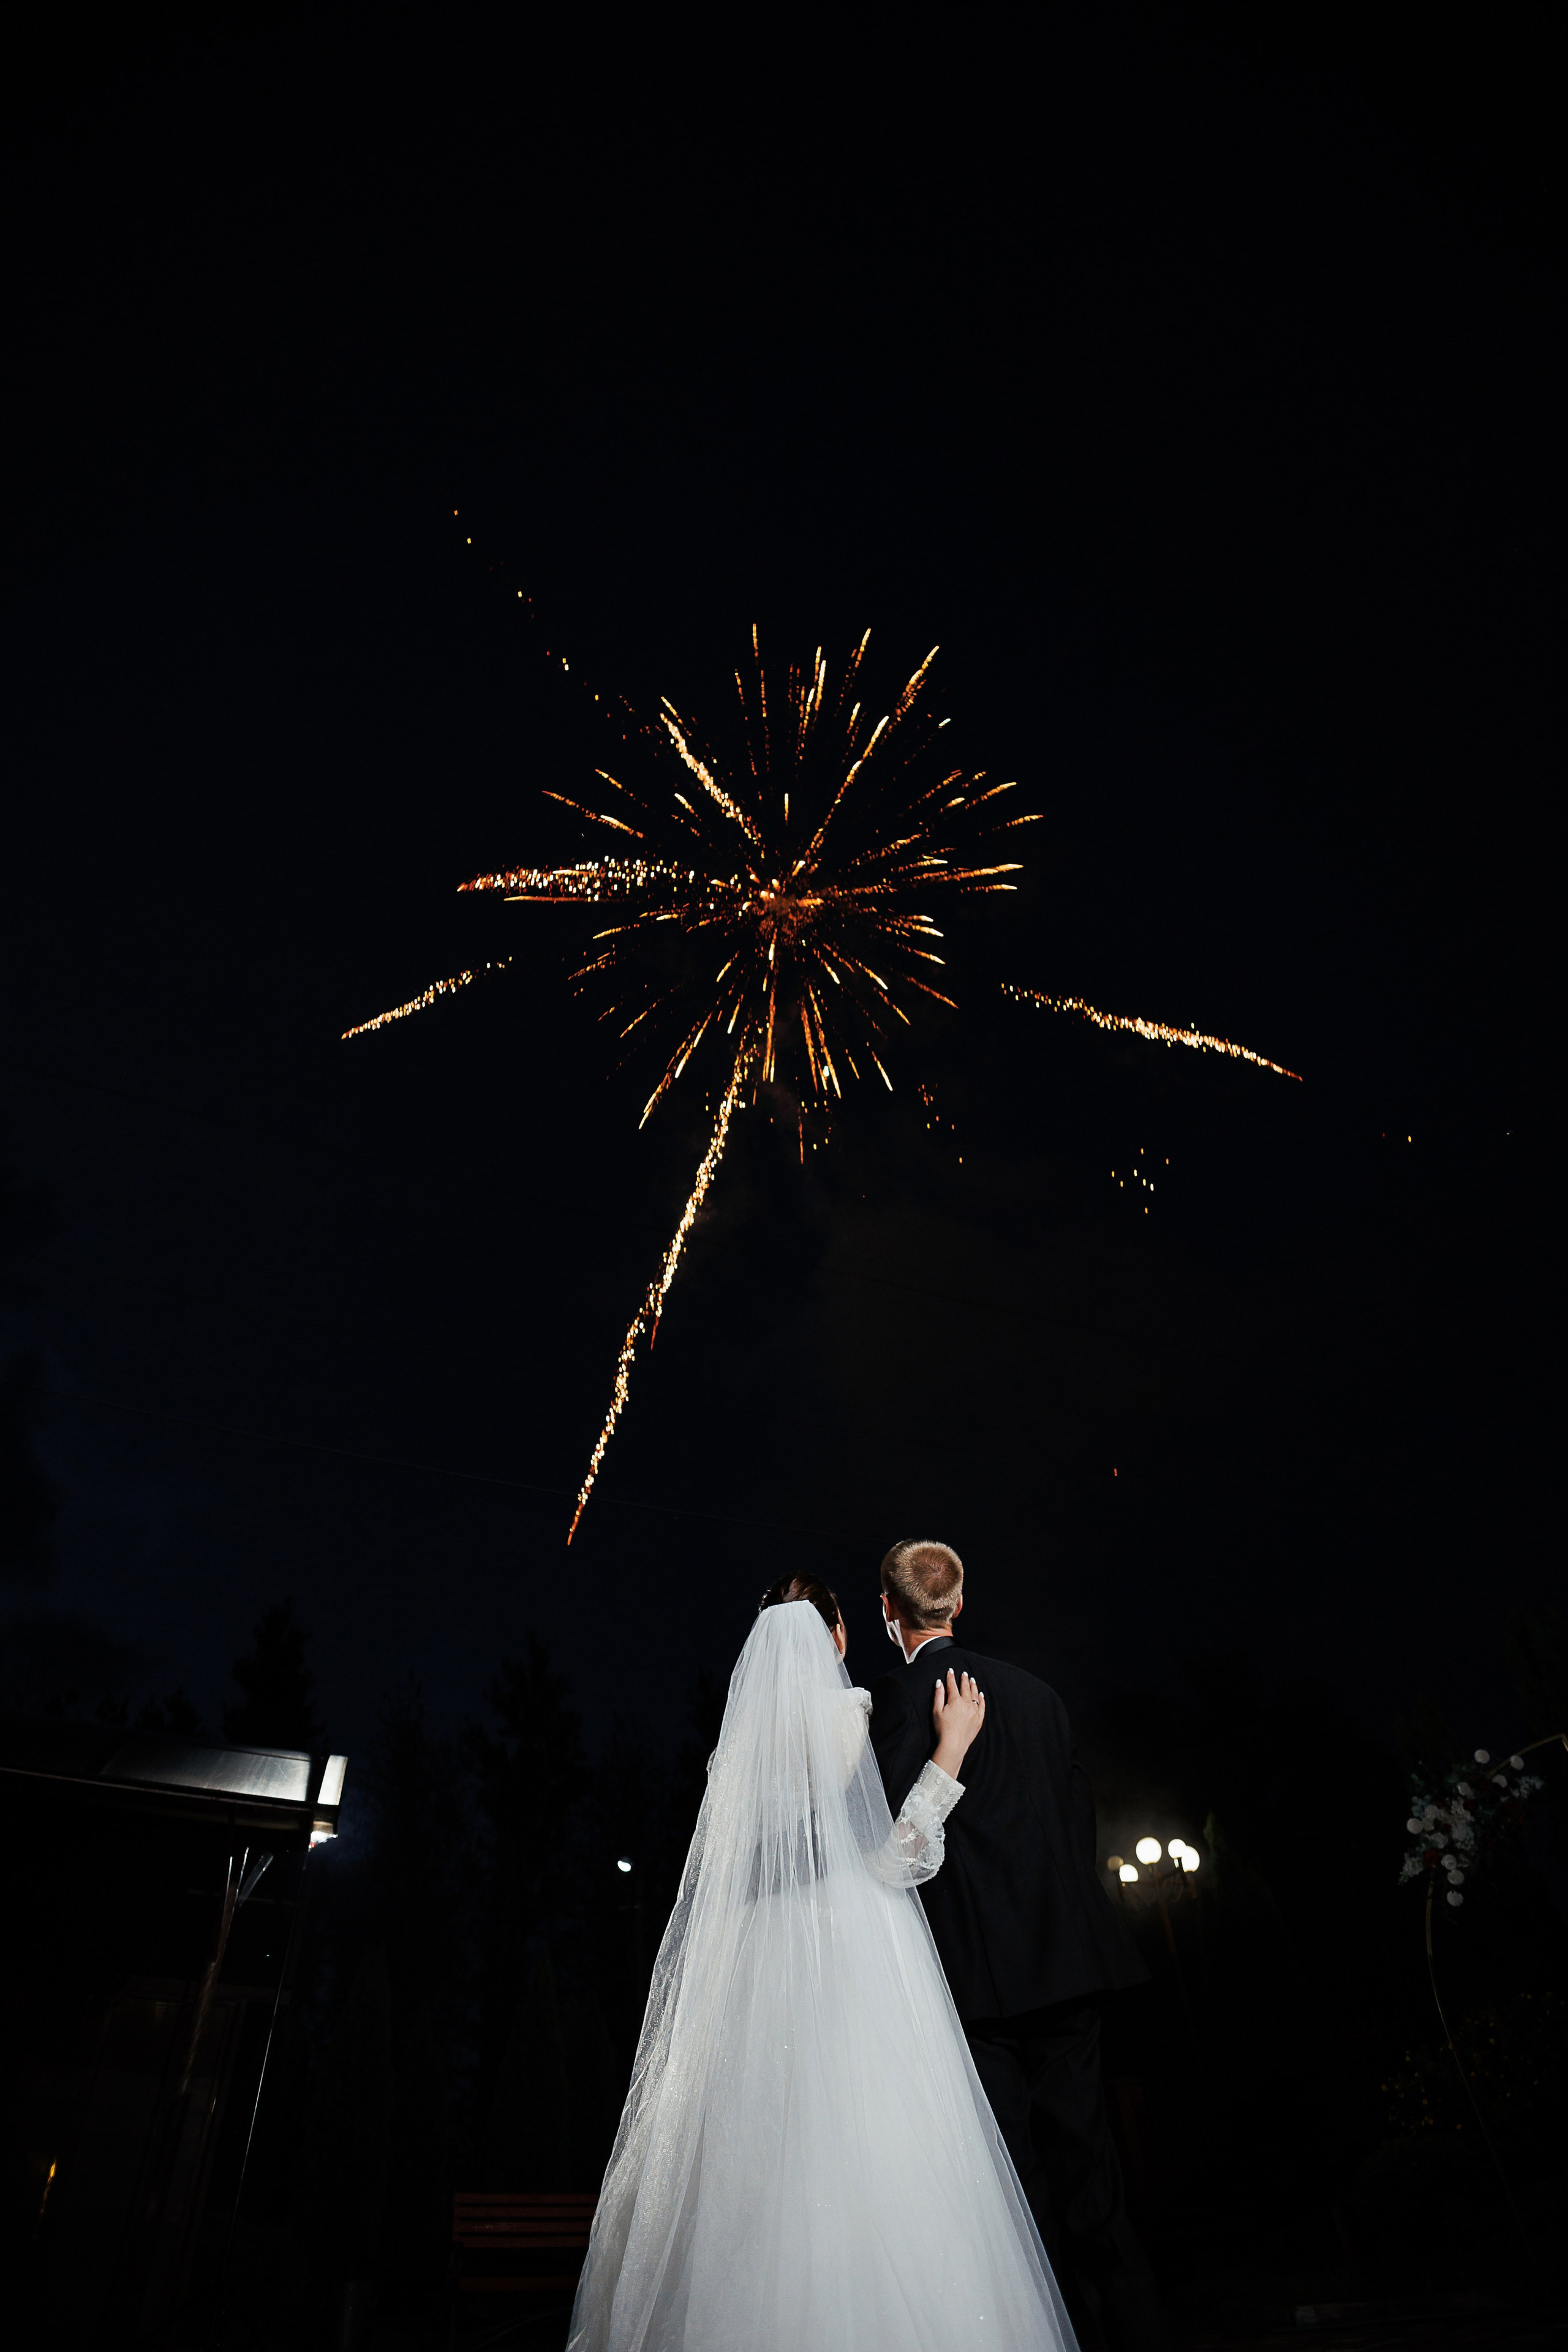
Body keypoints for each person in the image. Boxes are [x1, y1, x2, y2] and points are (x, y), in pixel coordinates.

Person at [568, 1575, 1080, 2352]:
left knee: (752, 2161)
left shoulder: (730, 1757)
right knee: (870, 2146)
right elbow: (894, 1856)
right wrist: (949, 1753)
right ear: (837, 1638)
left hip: (750, 1962)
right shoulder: (857, 1718)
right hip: (851, 1952)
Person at [869, 1540, 1167, 2352]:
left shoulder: (896, 1700)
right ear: (958, 1602)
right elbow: (1076, 1823)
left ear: (888, 1610)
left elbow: (892, 1848)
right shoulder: (1037, 1695)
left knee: (1015, 2194)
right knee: (1094, 2181)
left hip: (977, 1987)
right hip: (1067, 1968)